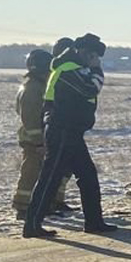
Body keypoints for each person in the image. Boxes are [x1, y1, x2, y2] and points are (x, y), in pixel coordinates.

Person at [25, 33, 114, 238]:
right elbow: (91, 88)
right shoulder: (67, 70)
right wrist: (96, 69)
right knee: (51, 177)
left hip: (71, 131)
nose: (95, 59)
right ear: (81, 52)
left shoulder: (74, 68)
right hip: (62, 129)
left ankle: (94, 222)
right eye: (93, 55)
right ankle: (31, 224)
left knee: (88, 175)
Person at [12, 48, 72, 220]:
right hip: (34, 141)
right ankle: (23, 207)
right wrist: (39, 142)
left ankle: (44, 205)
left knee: (43, 173)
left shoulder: (39, 86)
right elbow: (30, 119)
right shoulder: (32, 89)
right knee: (31, 172)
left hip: (41, 138)